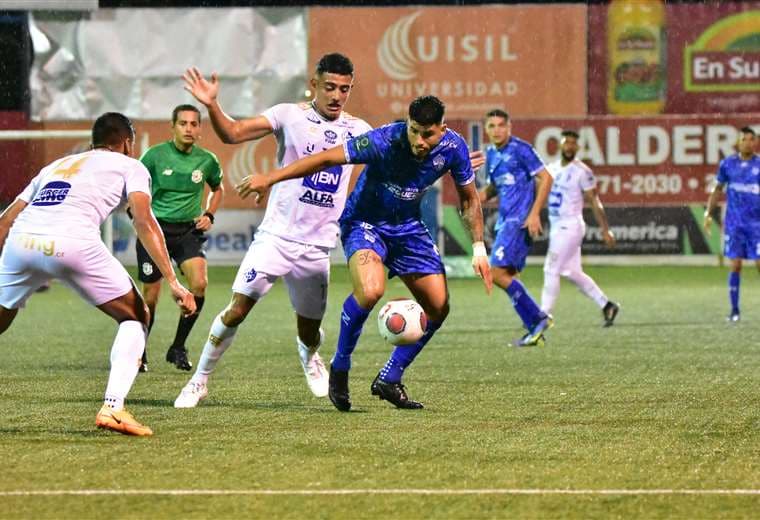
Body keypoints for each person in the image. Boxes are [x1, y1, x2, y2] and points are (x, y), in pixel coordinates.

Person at [236, 95, 492, 412]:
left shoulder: (454, 148)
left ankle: (389, 377)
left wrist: (478, 247)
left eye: (427, 134)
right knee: (371, 291)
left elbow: (469, 198)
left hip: (408, 228)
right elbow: (326, 160)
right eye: (414, 131)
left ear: (442, 129)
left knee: (438, 308)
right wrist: (270, 178)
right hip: (364, 223)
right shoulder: (383, 140)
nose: (419, 140)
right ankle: (340, 367)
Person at [173, 53, 372, 408]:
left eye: (345, 89)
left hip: (318, 246)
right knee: (237, 309)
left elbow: (391, 159)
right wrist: (213, 105)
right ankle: (199, 379)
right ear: (314, 84)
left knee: (309, 330)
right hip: (276, 237)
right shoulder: (288, 115)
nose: (337, 96)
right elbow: (232, 134)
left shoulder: (359, 130)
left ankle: (310, 356)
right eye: (330, 87)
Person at [0, 112, 196, 436]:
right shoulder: (131, 166)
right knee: (136, 316)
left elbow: (6, 220)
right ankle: (113, 408)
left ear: (92, 142)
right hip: (72, 243)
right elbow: (144, 221)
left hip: (22, 242)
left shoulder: (55, 167)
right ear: (127, 143)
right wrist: (174, 282)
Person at [136, 104, 223, 372]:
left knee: (199, 285)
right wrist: (135, 209)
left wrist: (209, 213)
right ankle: (139, 351)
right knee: (150, 297)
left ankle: (178, 347)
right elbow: (135, 184)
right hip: (155, 230)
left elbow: (218, 188)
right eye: (183, 123)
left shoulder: (207, 160)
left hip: (188, 231)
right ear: (172, 127)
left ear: (199, 129)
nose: (188, 128)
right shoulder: (154, 156)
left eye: (194, 124)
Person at [480, 109, 553, 347]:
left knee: (497, 273)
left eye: (502, 125)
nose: (497, 130)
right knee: (509, 276)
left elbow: (546, 178)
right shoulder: (491, 154)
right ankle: (533, 327)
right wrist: (479, 197)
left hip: (519, 220)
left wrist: (534, 214)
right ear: (486, 129)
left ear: (510, 127)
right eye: (492, 126)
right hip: (504, 221)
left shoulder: (521, 149)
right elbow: (495, 186)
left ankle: (538, 318)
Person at [540, 130, 620, 325]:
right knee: (571, 272)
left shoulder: (582, 171)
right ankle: (607, 305)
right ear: (559, 145)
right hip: (558, 226)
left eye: (573, 144)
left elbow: (594, 200)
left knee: (551, 269)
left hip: (571, 226)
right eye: (566, 142)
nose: (569, 146)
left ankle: (542, 316)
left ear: (578, 148)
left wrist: (605, 229)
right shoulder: (551, 168)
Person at [704, 126, 760, 322]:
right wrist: (708, 213)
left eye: (752, 139)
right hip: (735, 224)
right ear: (738, 142)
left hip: (757, 225)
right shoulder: (728, 164)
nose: (748, 142)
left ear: (756, 142)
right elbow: (717, 189)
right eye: (745, 139)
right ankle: (734, 311)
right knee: (735, 265)